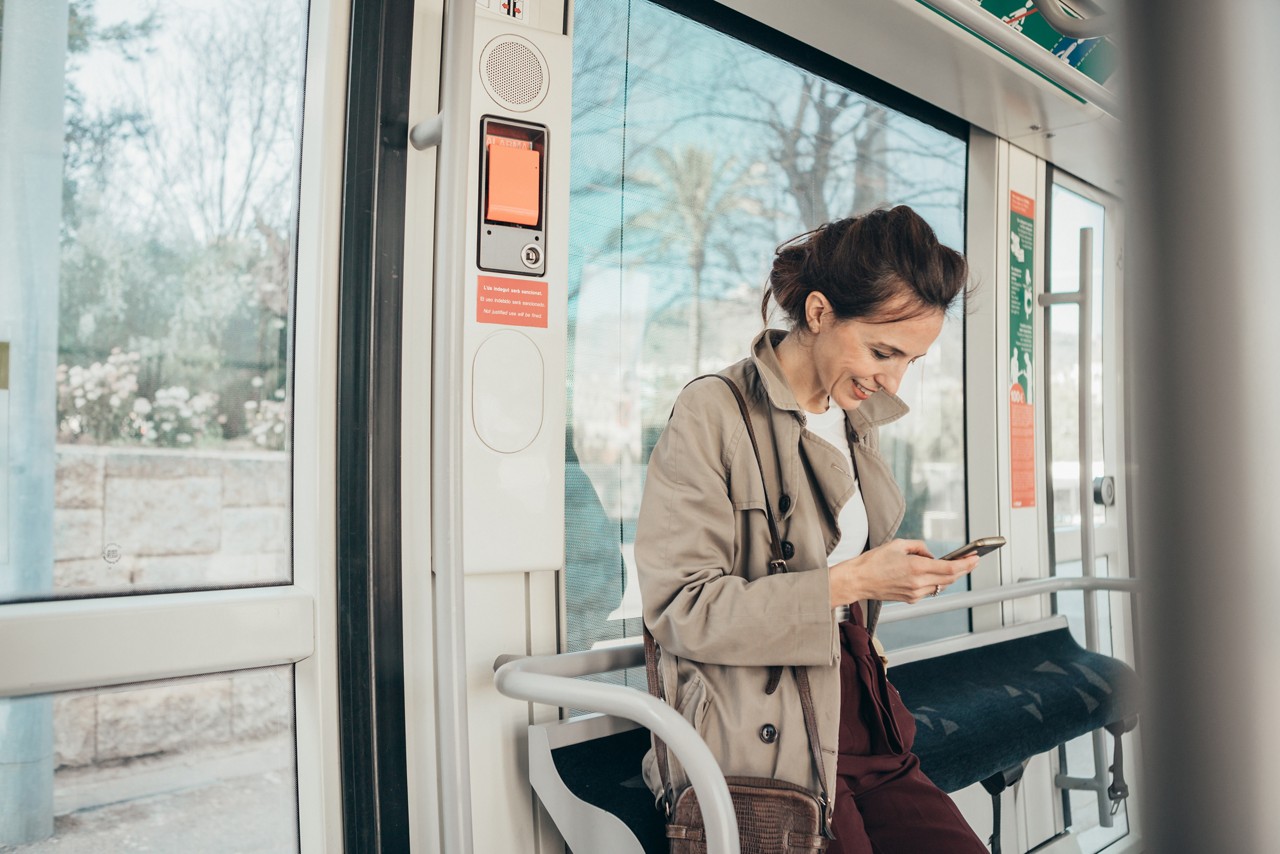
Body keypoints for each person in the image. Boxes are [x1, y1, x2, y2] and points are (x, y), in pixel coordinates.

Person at [636, 206, 988, 853]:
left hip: (860, 712)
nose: (893, 379)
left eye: (913, 360)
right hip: (768, 736)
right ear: (820, 313)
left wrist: (894, 576)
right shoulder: (713, 410)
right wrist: (849, 579)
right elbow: (680, 609)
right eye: (884, 351)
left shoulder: (855, 418)